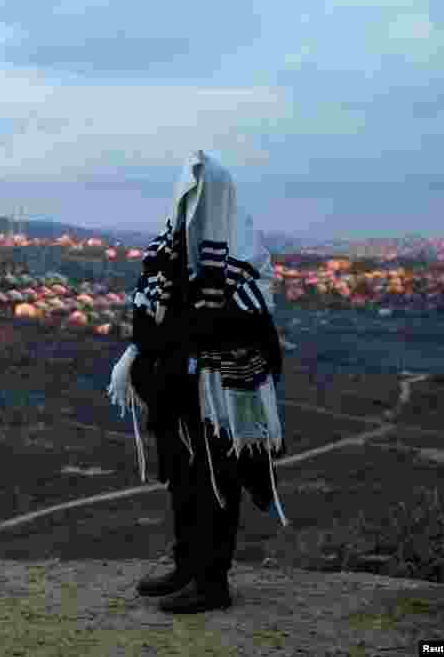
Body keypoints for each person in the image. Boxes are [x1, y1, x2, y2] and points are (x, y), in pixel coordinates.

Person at [107, 150, 289, 614]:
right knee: (183, 476)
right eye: (188, 198)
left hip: (222, 390)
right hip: (177, 384)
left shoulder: (244, 252)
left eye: (201, 197)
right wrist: (164, 345)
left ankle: (212, 580)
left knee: (215, 479)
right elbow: (149, 311)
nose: (194, 207)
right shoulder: (169, 250)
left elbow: (246, 317)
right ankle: (187, 565)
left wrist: (187, 335)